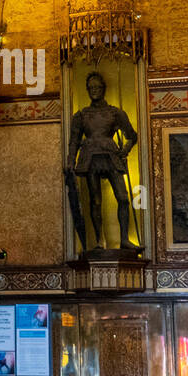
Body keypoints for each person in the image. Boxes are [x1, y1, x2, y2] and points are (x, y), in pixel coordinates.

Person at [65, 71, 141, 252]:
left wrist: (125, 150)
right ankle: (99, 240)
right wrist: (70, 159)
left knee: (123, 198)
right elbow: (74, 140)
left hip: (110, 155)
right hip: (90, 156)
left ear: (104, 89)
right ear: (87, 90)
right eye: (91, 88)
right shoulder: (81, 115)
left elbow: (132, 136)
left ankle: (124, 239)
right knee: (96, 200)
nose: (94, 91)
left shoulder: (115, 113)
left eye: (97, 87)